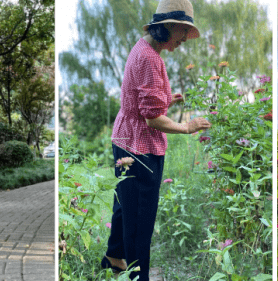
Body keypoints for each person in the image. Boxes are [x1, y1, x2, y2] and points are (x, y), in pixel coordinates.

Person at [101, 0, 211, 279]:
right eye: (183, 33)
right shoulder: (150, 59)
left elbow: (142, 102)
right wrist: (187, 126)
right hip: (140, 146)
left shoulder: (143, 47)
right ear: (170, 26)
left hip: (125, 137)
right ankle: (139, 276)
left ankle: (114, 258)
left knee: (125, 206)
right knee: (140, 216)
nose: (184, 40)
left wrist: (165, 101)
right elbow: (151, 119)